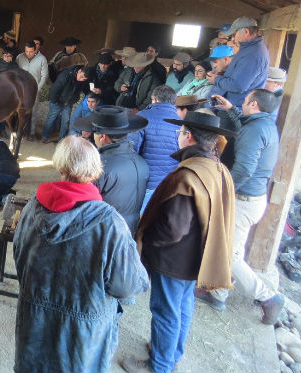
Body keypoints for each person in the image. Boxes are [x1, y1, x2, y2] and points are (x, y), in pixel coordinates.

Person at [14, 135, 149, 373]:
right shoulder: (110, 223)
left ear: (60, 166)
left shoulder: (31, 208)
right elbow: (126, 286)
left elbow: (20, 257)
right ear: (95, 171)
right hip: (82, 336)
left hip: (34, 323)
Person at [122, 110, 237, 373]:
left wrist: (147, 242)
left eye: (180, 132)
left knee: (165, 311)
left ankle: (159, 366)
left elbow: (172, 229)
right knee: (184, 305)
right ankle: (172, 354)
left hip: (173, 259)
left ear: (188, 137)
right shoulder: (217, 167)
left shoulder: (188, 176)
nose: (179, 136)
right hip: (197, 254)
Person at [197, 90, 285, 324]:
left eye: (245, 102)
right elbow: (245, 122)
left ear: (253, 104)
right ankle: (218, 292)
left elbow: (245, 168)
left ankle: (268, 297)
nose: (243, 105)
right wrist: (231, 110)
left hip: (243, 200)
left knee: (230, 253)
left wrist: (225, 189)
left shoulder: (254, 131)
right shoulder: (264, 123)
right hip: (254, 198)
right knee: (231, 246)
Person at [74, 106, 149, 233]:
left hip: (104, 233)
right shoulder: (142, 163)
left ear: (102, 136)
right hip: (130, 232)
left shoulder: (97, 166)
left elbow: (82, 207)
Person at [128, 85, 180, 212]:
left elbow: (131, 150)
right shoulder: (181, 122)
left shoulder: (143, 117)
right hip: (170, 184)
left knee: (140, 222)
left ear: (155, 100)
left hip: (146, 182)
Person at [208, 16, 269, 108]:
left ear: (246, 32)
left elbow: (238, 86)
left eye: (234, 35)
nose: (232, 39)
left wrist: (216, 79)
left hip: (237, 107)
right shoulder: (248, 49)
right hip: (231, 104)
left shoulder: (252, 54)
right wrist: (221, 75)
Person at [43, 65, 93, 143]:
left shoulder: (84, 80)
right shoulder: (65, 75)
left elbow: (87, 89)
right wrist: (54, 100)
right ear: (79, 71)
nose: (82, 79)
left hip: (69, 102)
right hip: (57, 100)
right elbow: (55, 88)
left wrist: (91, 94)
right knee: (51, 118)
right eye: (82, 76)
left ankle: (61, 139)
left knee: (65, 121)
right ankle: (45, 136)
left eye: (84, 79)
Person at [16, 42, 48, 141]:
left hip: (34, 89)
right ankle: (19, 132)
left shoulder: (42, 59)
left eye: (30, 52)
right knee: (19, 110)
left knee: (33, 112)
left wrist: (37, 89)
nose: (28, 54)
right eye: (26, 51)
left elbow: (44, 76)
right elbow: (15, 71)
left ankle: (32, 133)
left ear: (35, 50)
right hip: (21, 89)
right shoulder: (19, 57)